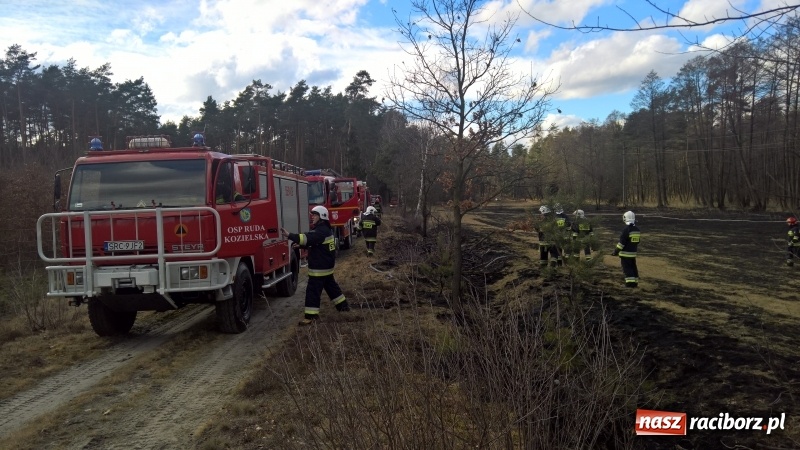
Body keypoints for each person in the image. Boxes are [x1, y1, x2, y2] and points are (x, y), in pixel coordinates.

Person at [281, 206, 350, 325]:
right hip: (326, 268)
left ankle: (310, 317)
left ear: (322, 216)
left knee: (312, 292)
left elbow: (308, 238)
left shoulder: (321, 231)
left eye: (315, 215)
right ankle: (344, 307)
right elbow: (318, 245)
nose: (312, 217)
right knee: (332, 289)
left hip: (319, 269)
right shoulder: (324, 230)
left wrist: (290, 235)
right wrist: (302, 246)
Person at [612, 211, 640, 288]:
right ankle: (635, 283)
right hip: (633, 253)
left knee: (627, 269)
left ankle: (629, 284)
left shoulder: (626, 230)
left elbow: (621, 243)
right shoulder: (637, 229)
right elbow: (637, 241)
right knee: (633, 268)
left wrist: (615, 251)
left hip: (625, 254)